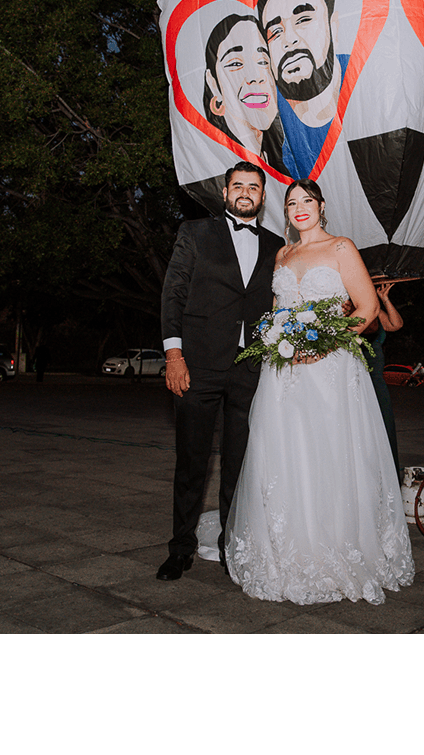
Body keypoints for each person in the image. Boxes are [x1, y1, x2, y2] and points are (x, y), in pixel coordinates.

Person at [225, 179, 414, 604]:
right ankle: (286, 547)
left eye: (306, 200)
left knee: (331, 453)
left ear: (321, 206)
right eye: (291, 203)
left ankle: (338, 546)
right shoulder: (283, 254)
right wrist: (278, 339)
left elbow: (366, 310)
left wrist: (323, 342)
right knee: (285, 454)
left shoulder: (342, 248)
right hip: (285, 373)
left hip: (330, 370)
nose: (299, 208)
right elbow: (277, 312)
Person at [157, 161, 285, 581]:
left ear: (263, 197)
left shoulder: (276, 245)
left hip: (251, 369)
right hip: (197, 367)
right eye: (238, 185)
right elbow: (173, 294)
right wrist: (173, 356)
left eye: (254, 186)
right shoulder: (194, 233)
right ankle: (180, 548)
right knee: (191, 463)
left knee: (239, 464)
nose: (245, 192)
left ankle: (234, 550)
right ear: (225, 192)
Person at [258, 0, 347, 175]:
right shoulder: (262, 119)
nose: (289, 40)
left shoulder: (368, 84)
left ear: (333, 25)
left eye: (304, 19)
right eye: (275, 31)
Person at [202, 13, 288, 174]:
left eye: (263, 61)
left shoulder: (284, 165)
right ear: (213, 84)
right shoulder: (216, 168)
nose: (255, 77)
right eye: (235, 63)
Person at [361, 281, 405, 475]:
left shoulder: (374, 308)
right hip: (358, 375)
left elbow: (396, 324)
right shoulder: (350, 307)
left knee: (383, 424)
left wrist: (384, 299)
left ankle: (386, 475)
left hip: (376, 379)